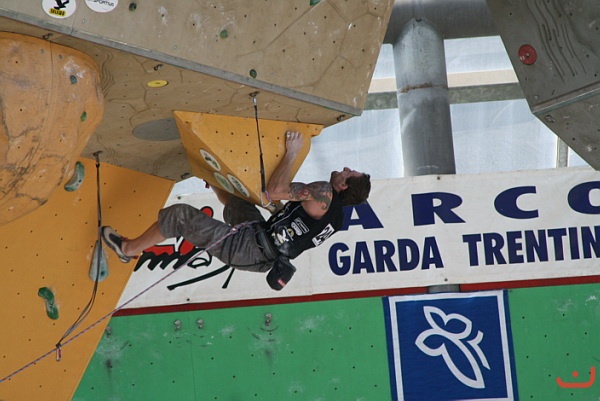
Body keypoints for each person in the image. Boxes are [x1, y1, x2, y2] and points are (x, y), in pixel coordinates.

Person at [101, 131, 371, 290]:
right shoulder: (336, 218)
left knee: (178, 215)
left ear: (343, 186)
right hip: (260, 243)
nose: (345, 169)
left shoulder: (324, 191)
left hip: (251, 248)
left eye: (349, 173)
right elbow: (297, 228)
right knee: (236, 199)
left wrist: (292, 152)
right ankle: (206, 174)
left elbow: (274, 191)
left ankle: (127, 249)